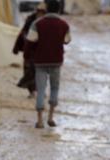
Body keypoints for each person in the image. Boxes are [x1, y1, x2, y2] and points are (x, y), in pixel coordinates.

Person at [26, 0, 71, 129]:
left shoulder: (37, 23)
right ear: (58, 10)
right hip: (56, 61)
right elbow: (67, 40)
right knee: (55, 88)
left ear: (46, 9)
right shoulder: (64, 24)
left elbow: (30, 41)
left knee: (40, 89)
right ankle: (51, 117)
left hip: (40, 61)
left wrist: (28, 56)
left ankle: (39, 120)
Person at [13, 3, 46, 98]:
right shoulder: (30, 20)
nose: (40, 14)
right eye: (39, 12)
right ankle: (32, 91)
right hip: (30, 50)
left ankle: (40, 90)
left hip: (41, 52)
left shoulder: (47, 22)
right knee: (28, 71)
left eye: (42, 12)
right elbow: (23, 33)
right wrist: (17, 48)